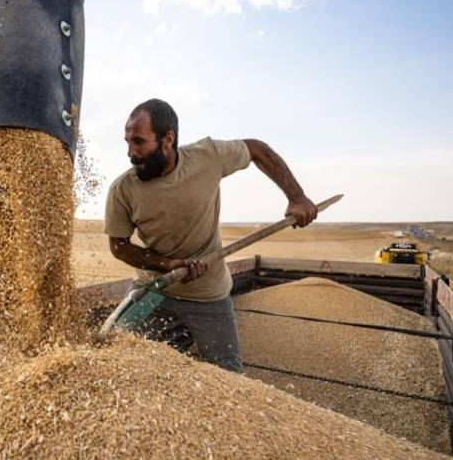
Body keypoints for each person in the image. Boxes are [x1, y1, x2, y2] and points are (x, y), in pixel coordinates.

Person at [104, 98, 318, 373]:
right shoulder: (123, 189)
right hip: (153, 291)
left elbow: (256, 149)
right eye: (128, 142)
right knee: (116, 363)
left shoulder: (208, 156)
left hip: (207, 297)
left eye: (138, 142)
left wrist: (297, 196)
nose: (130, 152)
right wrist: (167, 265)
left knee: (230, 379)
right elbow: (119, 246)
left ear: (167, 139)